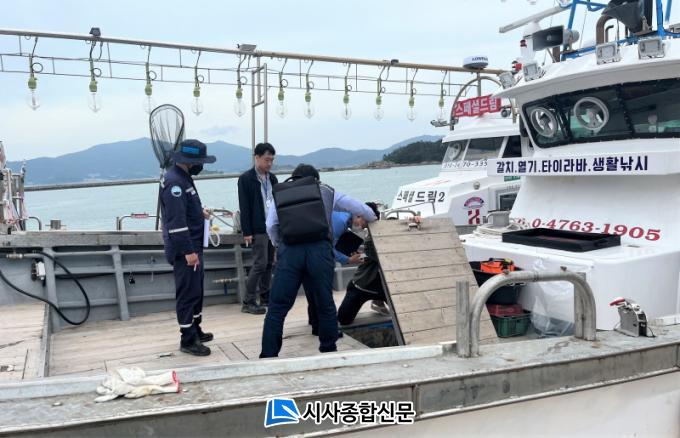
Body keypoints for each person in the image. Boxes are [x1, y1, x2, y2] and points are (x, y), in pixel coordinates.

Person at [260, 164, 377, 358]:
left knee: (277, 307)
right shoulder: (327, 191)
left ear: (293, 177)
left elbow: (271, 224)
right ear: (316, 179)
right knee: (325, 302)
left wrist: (279, 244)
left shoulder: (281, 193)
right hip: (319, 251)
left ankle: (269, 355)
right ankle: (328, 349)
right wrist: (373, 217)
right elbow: (360, 208)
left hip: (290, 252)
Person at [160, 139, 215, 356]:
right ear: (190, 161)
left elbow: (187, 208)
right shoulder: (174, 182)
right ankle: (188, 339)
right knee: (187, 292)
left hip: (194, 245)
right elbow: (176, 222)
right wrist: (188, 252)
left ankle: (195, 328)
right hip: (186, 249)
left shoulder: (183, 177)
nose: (201, 165)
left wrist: (200, 213)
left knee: (196, 291)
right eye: (199, 161)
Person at [237, 142, 278, 314]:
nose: (269, 163)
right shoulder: (246, 179)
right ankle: (248, 301)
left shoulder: (272, 178)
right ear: (257, 157)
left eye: (272, 160)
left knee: (269, 263)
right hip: (258, 228)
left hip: (272, 227)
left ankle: (265, 296)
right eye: (267, 160)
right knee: (259, 264)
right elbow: (244, 206)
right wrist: (247, 231)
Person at [337, 202, 391, 326]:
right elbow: (372, 255)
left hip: (385, 287)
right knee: (344, 319)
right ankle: (377, 301)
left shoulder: (382, 234)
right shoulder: (370, 238)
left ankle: (378, 301)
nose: (357, 221)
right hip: (362, 285)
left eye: (360, 216)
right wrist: (354, 257)